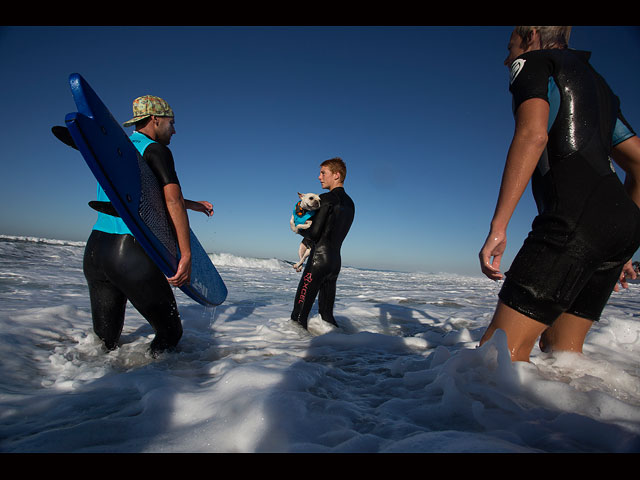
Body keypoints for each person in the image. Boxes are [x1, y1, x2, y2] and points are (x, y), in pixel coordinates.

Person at [478, 26, 640, 362]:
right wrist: (619, 238)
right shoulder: (601, 88)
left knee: (495, 361)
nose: (507, 58)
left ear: (532, 35)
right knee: (564, 357)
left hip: (572, 221)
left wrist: (499, 225)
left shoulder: (535, 63)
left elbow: (533, 135)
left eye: (510, 48)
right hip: (621, 230)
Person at [83, 95, 214, 356]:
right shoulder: (156, 150)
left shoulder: (119, 148)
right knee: (170, 333)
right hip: (129, 251)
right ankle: (149, 389)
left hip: (97, 250)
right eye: (171, 123)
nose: (174, 130)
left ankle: (93, 388)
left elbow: (144, 197)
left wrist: (195, 204)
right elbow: (171, 199)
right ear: (155, 120)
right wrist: (185, 256)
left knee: (104, 343)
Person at [291, 157, 355, 329]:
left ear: (336, 175)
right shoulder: (351, 204)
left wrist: (297, 228)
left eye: (323, 173)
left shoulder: (325, 199)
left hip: (318, 260)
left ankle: (296, 350)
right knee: (327, 316)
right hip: (334, 262)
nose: (319, 177)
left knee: (298, 316)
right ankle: (338, 352)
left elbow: (315, 233)